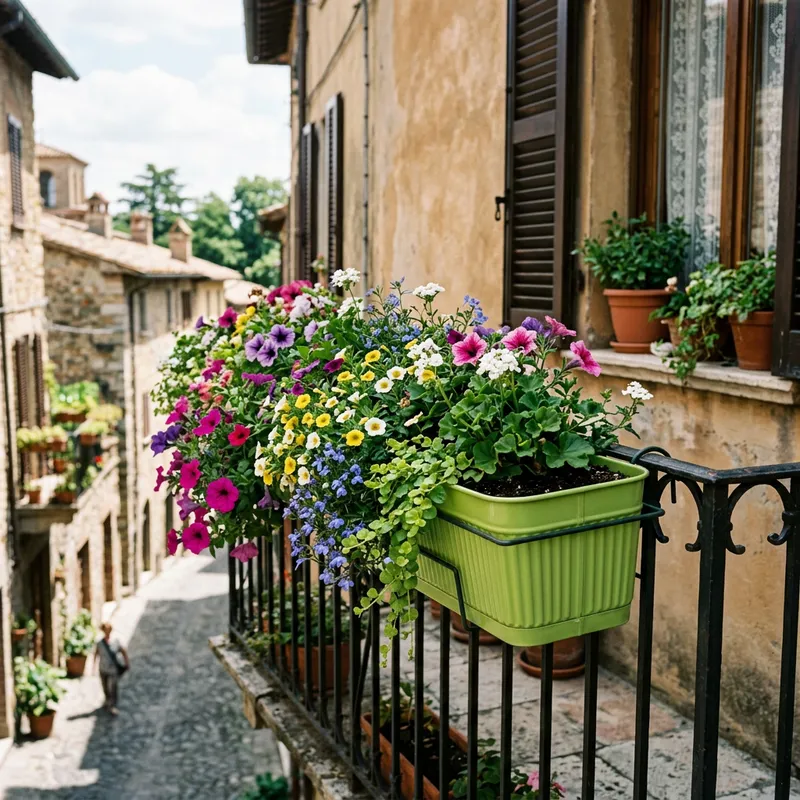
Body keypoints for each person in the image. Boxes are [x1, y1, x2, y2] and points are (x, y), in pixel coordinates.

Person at [94, 622, 129, 715]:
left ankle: (113, 705)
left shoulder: (115, 641)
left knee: (113, 687)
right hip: (103, 668)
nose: (107, 632)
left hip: (113, 669)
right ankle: (107, 701)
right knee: (105, 686)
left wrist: (126, 663)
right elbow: (96, 654)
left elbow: (123, 651)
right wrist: (93, 667)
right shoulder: (99, 643)